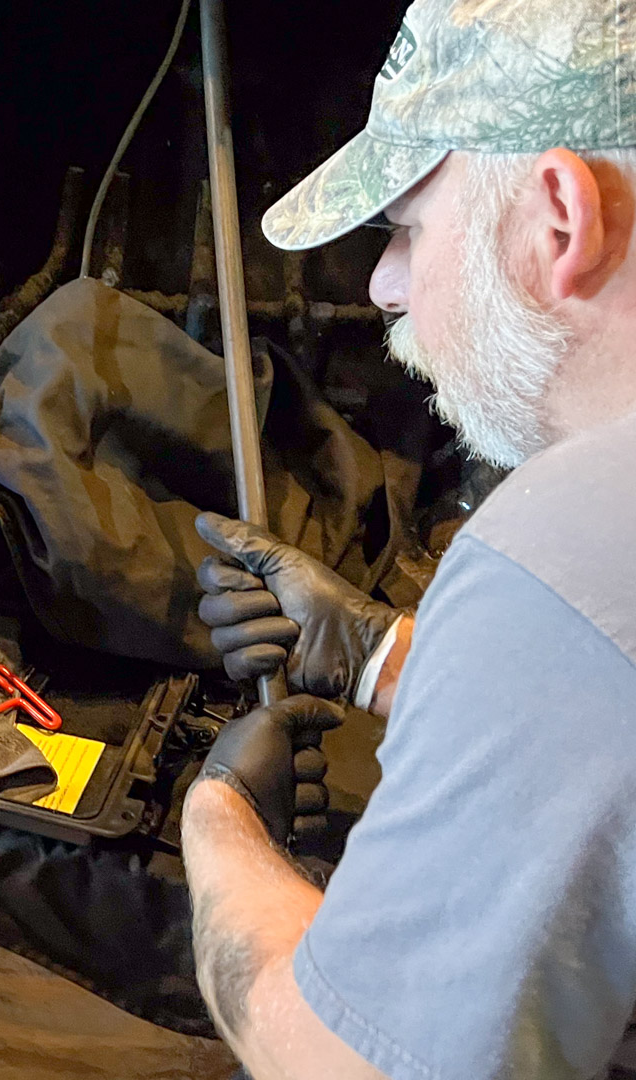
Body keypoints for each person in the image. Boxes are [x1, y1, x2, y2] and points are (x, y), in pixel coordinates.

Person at [181, 1, 636, 1077]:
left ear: (558, 219)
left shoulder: (571, 537)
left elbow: (343, 1060)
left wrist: (220, 818)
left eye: (409, 227)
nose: (383, 282)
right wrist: (378, 655)